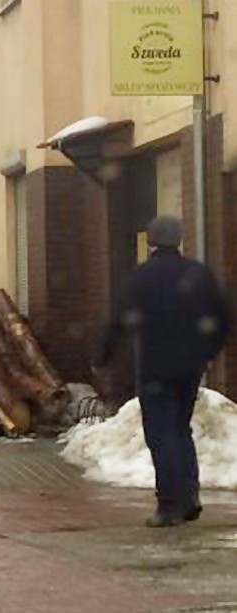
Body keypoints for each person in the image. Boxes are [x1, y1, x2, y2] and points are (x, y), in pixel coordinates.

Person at [95, 215, 231, 528]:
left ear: (152, 242)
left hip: (155, 367)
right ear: (179, 241)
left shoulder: (142, 276)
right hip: (190, 368)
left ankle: (169, 505)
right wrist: (208, 351)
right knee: (181, 429)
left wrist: (103, 355)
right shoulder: (199, 274)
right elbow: (223, 316)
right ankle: (190, 496)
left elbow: (118, 319)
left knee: (161, 433)